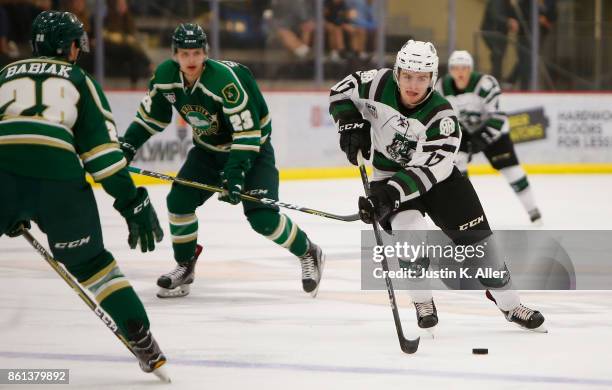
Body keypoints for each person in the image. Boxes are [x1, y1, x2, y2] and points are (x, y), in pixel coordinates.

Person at [329, 39, 546, 333]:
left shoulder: (442, 116)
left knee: (485, 253)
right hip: (388, 176)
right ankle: (422, 300)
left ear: (432, 78)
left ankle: (509, 304)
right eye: (407, 76)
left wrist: (386, 197)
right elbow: (341, 90)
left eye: (422, 78)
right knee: (410, 233)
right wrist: (349, 120)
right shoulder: (377, 83)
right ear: (397, 73)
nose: (413, 84)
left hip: (438, 181)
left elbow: (427, 172)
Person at [0, 11, 166, 374]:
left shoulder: (2, 75)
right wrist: (131, 201)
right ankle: (139, 334)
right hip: (59, 179)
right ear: (70, 46)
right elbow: (103, 158)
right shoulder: (80, 80)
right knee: (93, 265)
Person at [120, 23, 325, 299]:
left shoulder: (225, 81)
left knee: (262, 219)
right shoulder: (165, 77)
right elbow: (150, 118)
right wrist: (128, 145)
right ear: (175, 55)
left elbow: (248, 133)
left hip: (252, 151)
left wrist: (236, 173)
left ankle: (308, 251)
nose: (190, 60)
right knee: (179, 201)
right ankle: (185, 266)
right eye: (184, 54)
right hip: (208, 152)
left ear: (205, 53)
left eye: (196, 53)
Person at [436, 50, 542, 224]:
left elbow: (498, 118)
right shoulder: (441, 87)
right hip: (463, 133)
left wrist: (479, 141)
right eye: (455, 68)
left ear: (470, 69)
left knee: (512, 172)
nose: (460, 72)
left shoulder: (486, 84)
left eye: (464, 68)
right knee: (455, 169)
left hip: (494, 133)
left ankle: (533, 211)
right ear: (450, 70)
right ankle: (463, 212)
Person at [480, 0, 518, 81]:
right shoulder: (496, 2)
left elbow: (513, 15)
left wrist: (514, 7)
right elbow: (495, 15)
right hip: (491, 32)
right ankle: (495, 80)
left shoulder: (507, 3)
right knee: (498, 54)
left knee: (498, 56)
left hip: (501, 34)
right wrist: (508, 22)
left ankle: (495, 79)